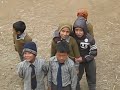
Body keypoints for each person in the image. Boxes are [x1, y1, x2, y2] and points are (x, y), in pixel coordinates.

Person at [72, 17, 97, 90]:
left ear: (85, 30)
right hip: (77, 61)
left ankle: (92, 87)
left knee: (91, 75)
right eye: (76, 30)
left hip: (88, 60)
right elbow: (61, 32)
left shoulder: (90, 38)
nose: (78, 32)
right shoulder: (72, 36)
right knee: (76, 77)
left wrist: (84, 59)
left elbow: (94, 51)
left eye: (81, 30)